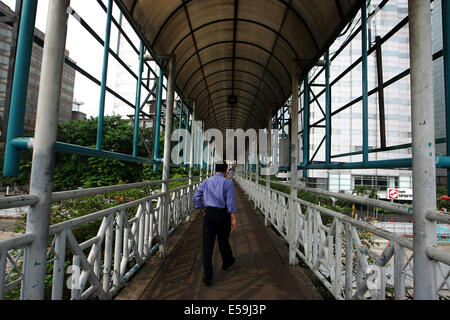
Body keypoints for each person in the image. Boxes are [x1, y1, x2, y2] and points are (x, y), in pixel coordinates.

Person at [193, 163, 237, 286]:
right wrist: (233, 218)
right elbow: (230, 202)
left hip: (209, 215)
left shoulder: (206, 181)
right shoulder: (228, 183)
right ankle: (227, 261)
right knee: (223, 241)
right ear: (225, 171)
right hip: (223, 215)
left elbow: (196, 197)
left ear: (214, 170)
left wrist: (202, 209)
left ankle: (208, 277)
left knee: (207, 245)